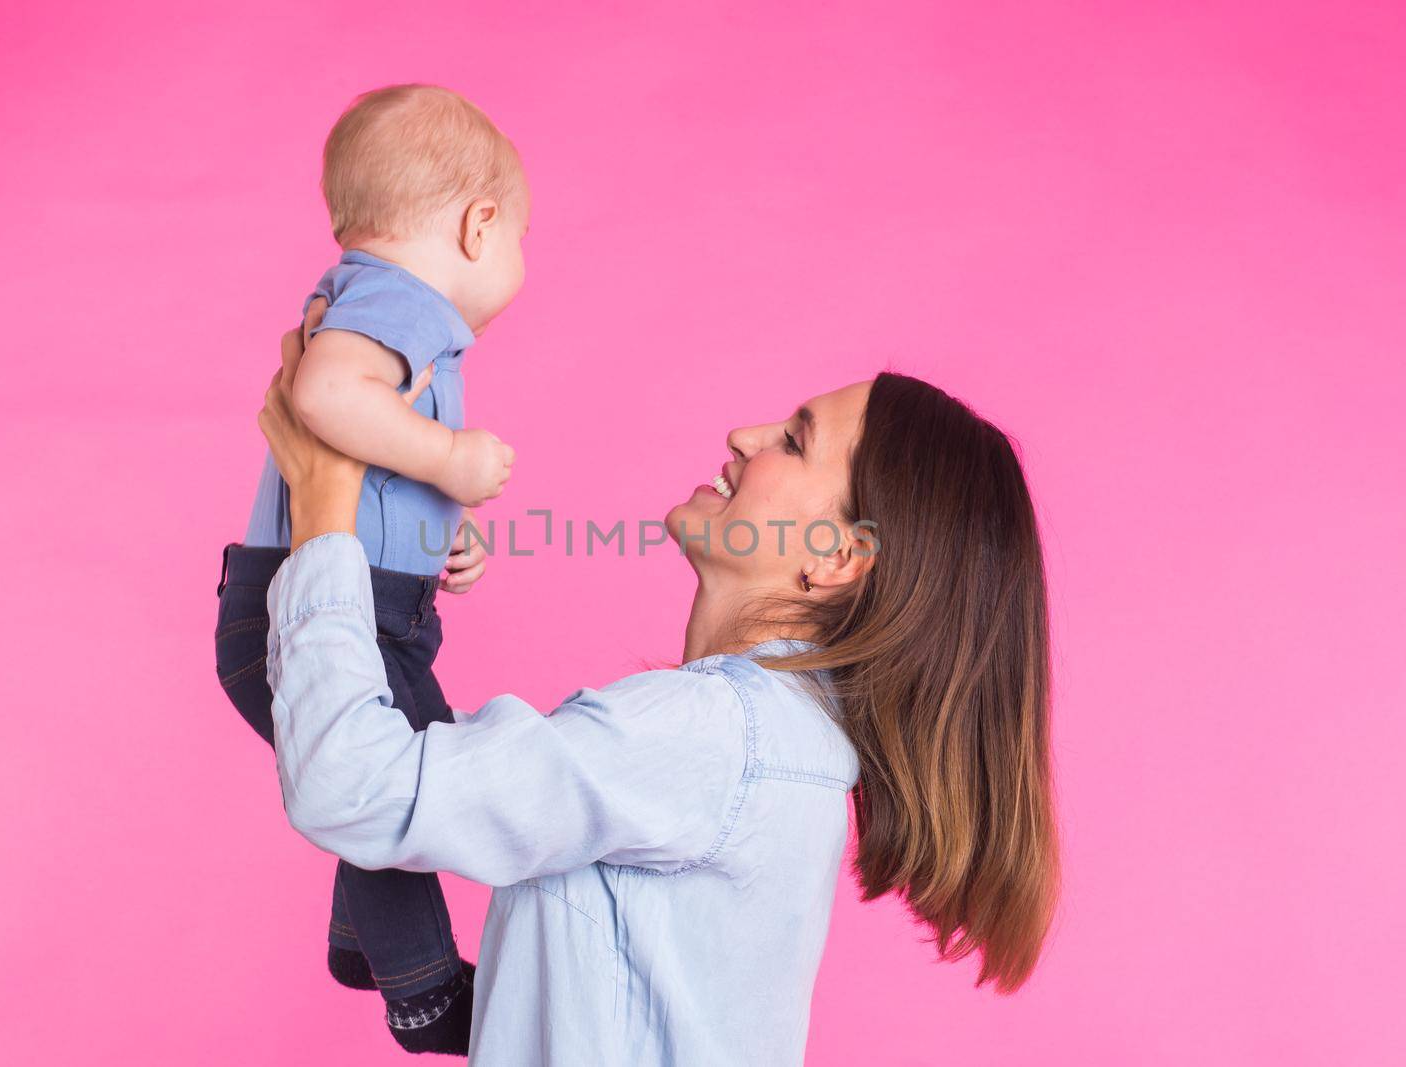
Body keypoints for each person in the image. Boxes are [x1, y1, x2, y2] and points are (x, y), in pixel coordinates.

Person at [256, 322, 1062, 1065]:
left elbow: (355, 784)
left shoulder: (715, 738)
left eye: (792, 440)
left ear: (836, 556)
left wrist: (325, 510)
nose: (743, 437)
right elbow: (436, 775)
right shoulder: (770, 750)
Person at [214, 84, 525, 1055]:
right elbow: (325, 393)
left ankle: (365, 940)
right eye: (521, 237)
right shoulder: (399, 300)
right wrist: (454, 462)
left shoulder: (372, 300)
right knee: (408, 779)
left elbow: (363, 442)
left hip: (366, 597)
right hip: (320, 607)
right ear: (478, 225)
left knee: (398, 774)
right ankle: (424, 987)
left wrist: (439, 536)